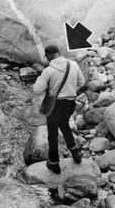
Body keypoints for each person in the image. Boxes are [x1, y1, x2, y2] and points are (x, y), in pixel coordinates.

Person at [34, 44, 85, 174]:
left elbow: (37, 90)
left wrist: (42, 78)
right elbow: (81, 83)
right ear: (58, 53)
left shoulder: (48, 71)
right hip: (70, 104)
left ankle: (54, 163)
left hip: (55, 106)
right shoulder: (72, 64)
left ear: (49, 56)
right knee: (64, 125)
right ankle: (75, 153)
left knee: (53, 134)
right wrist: (70, 91)